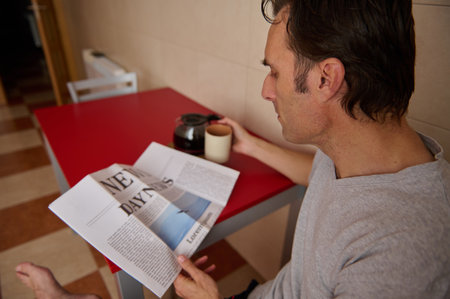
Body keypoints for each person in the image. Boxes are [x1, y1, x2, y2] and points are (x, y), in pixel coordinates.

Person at [173, 0, 450, 298]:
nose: (266, 91)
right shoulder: (353, 151)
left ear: (326, 79)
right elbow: (323, 178)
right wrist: (251, 146)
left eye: (275, 72)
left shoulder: (400, 259)